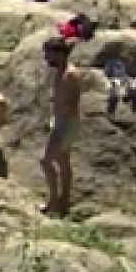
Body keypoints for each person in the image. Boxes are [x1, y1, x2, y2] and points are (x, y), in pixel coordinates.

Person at [40, 38, 84, 217]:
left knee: (46, 160)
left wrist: (60, 129)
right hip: (59, 121)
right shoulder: (60, 72)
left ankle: (55, 202)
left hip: (67, 123)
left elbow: (73, 102)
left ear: (59, 53)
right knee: (62, 161)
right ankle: (62, 201)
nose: (46, 58)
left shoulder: (70, 74)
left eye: (49, 54)